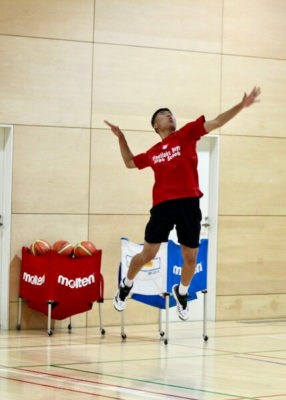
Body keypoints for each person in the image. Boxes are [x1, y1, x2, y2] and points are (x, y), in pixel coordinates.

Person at [104, 86, 261, 320]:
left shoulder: (187, 133)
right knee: (147, 254)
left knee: (191, 259)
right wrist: (121, 137)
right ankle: (126, 285)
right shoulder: (153, 152)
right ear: (156, 126)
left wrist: (241, 105)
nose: (170, 115)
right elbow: (129, 162)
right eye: (163, 115)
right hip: (163, 206)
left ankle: (182, 292)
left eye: (171, 113)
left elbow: (217, 121)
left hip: (189, 204)